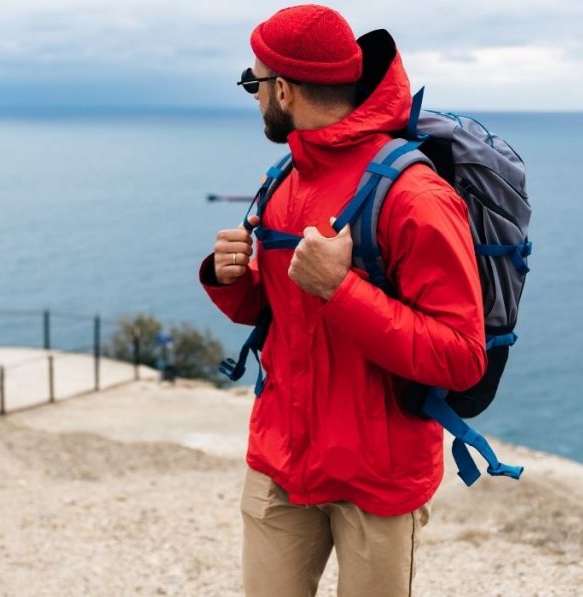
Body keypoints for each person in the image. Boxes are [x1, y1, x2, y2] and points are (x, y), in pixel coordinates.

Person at [199, 5, 488, 596]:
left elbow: (461, 356)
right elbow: (277, 311)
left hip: (377, 479)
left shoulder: (415, 195)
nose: (254, 98)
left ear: (284, 89)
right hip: (281, 459)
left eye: (254, 84)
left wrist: (341, 289)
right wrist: (230, 279)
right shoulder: (284, 178)